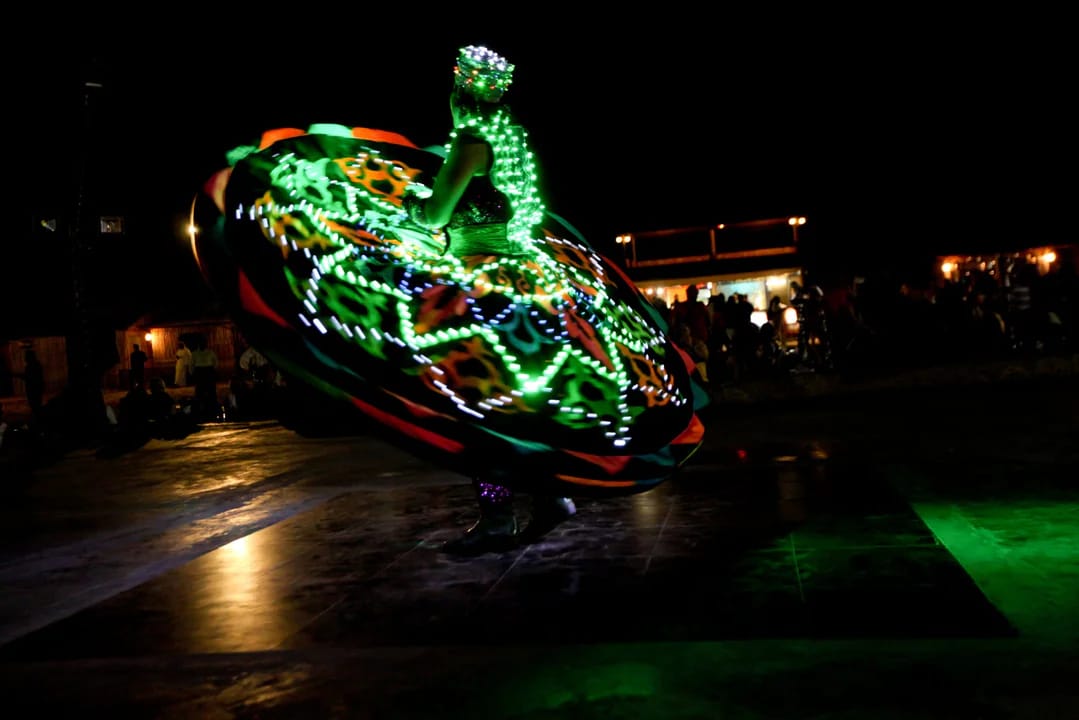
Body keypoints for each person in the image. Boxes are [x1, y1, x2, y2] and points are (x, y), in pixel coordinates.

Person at [190, 44, 708, 557]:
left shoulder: (471, 141)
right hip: (530, 284)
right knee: (522, 407)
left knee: (474, 410)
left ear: (461, 94)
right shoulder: (511, 139)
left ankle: (499, 517)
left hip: (479, 284)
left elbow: (437, 213)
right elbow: (522, 210)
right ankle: (551, 497)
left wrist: (412, 209)